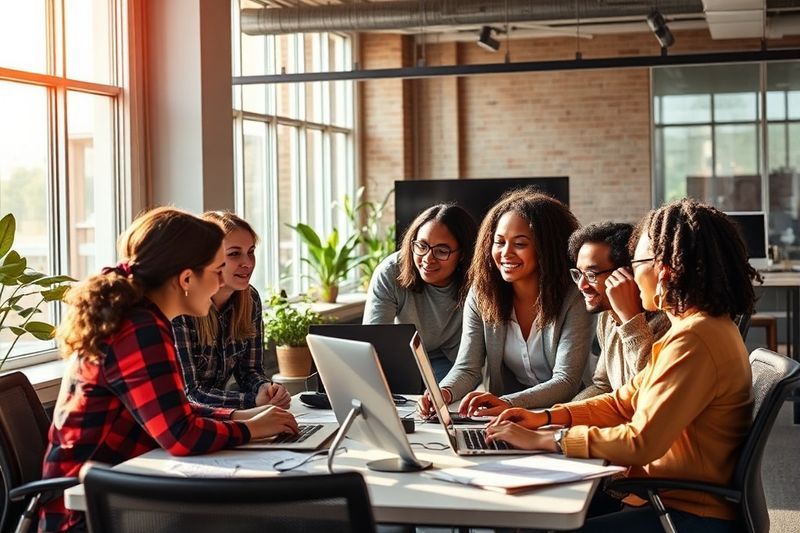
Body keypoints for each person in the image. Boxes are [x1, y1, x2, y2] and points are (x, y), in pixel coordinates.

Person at [486, 199, 760, 532]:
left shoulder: (695, 339)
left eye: (638, 260)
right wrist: (544, 418)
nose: (632, 271)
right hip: (667, 496)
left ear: (664, 268)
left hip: (687, 512)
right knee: (532, 513)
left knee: (539, 518)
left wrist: (549, 439)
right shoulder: (694, 329)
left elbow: (642, 441)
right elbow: (624, 399)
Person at [41, 207, 298, 532]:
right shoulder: (139, 329)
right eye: (217, 270)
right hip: (86, 512)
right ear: (187, 279)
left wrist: (236, 416)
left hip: (119, 490)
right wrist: (252, 430)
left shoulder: (142, 318)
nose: (222, 281)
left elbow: (168, 411)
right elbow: (181, 436)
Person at [419, 188, 594, 417]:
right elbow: (467, 368)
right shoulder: (483, 294)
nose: (505, 253)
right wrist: (442, 392)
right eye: (499, 242)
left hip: (564, 415)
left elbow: (566, 381)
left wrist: (506, 402)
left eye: (520, 244)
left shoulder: (574, 296)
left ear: (546, 249)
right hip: (506, 417)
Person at [173, 211, 289, 409]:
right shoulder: (181, 306)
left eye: (251, 251)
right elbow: (190, 393)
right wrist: (252, 401)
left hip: (218, 417)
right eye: (235, 254)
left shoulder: (249, 299)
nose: (248, 263)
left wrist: (265, 389)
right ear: (208, 259)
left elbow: (250, 370)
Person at [364, 203, 478, 381]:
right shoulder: (391, 272)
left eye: (441, 251)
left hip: (450, 361)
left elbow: (470, 365)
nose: (427, 259)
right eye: (421, 246)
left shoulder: (477, 280)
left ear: (462, 254)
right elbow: (373, 342)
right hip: (402, 357)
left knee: (441, 401)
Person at [568, 222, 670, 401]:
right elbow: (603, 386)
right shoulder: (607, 315)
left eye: (591, 275)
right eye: (578, 274)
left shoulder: (667, 322)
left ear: (626, 273)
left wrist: (630, 320)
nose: (581, 286)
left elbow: (653, 392)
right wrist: (555, 416)